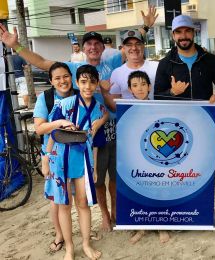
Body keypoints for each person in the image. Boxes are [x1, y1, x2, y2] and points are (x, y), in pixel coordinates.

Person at [0, 5, 159, 233]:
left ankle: (117, 213)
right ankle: (104, 217)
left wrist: (145, 27)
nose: (93, 47)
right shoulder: (74, 68)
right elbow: (42, 62)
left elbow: (131, 48)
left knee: (116, 177)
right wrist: (16, 46)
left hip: (112, 125)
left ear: (103, 48)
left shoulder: (112, 61)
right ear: (83, 49)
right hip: (86, 131)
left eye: (97, 44)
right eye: (89, 44)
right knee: (96, 179)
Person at [154, 14, 215, 229]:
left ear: (194, 33)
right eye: (179, 32)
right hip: (175, 127)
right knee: (177, 168)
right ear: (173, 35)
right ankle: (178, 212)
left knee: (205, 167)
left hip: (204, 123)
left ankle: (206, 211)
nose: (184, 36)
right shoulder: (166, 63)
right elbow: (157, 96)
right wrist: (172, 92)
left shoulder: (209, 59)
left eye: (187, 31)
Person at [42, 65, 106, 260]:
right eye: (83, 82)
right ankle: (69, 247)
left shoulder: (98, 108)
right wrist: (46, 159)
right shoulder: (64, 104)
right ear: (77, 83)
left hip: (84, 160)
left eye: (92, 82)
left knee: (83, 203)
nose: (88, 86)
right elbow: (50, 132)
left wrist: (93, 167)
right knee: (64, 204)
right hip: (60, 159)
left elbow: (96, 142)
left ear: (97, 84)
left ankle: (86, 243)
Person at [123, 71, 170, 244]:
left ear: (149, 86)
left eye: (143, 84)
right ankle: (141, 228)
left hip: (155, 157)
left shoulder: (158, 107)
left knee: (158, 189)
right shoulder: (127, 110)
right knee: (138, 191)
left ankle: (161, 227)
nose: (140, 88)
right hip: (135, 158)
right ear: (130, 89)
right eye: (135, 85)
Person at [101, 30, 158, 111]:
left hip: (156, 119)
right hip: (129, 120)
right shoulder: (117, 73)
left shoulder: (156, 67)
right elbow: (115, 107)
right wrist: (105, 93)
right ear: (123, 48)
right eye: (129, 45)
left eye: (138, 44)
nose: (134, 48)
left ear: (143, 46)